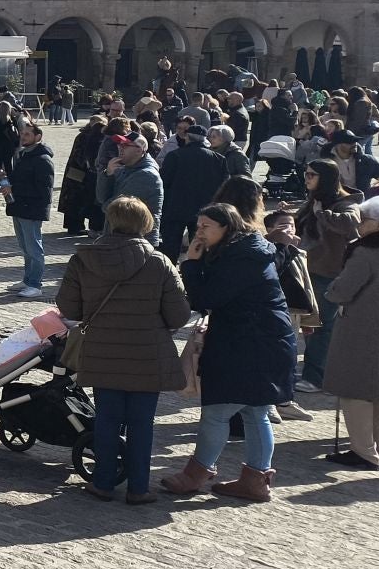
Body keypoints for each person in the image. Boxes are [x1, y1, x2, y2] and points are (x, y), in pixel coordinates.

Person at [58, 196, 190, 503]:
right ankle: (138, 487)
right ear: (145, 223)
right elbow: (180, 316)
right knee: (142, 424)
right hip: (148, 354)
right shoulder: (158, 262)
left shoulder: (83, 259)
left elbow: (67, 307)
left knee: (106, 418)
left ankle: (103, 481)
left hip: (103, 351)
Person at [164, 203, 298, 502]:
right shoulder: (248, 249)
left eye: (205, 226)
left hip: (249, 344)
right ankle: (255, 480)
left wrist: (192, 263)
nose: (198, 231)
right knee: (255, 411)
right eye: (198, 225)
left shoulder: (240, 257)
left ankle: (195, 475)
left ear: (227, 228)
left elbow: (207, 297)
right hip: (264, 341)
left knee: (217, 412)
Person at [322, 196, 379, 470]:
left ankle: (363, 451)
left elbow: (342, 291)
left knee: (354, 391)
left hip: (362, 330)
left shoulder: (366, 253)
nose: (360, 224)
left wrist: (332, 290)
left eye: (365, 220)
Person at [296, 160, 361, 393]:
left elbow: (349, 225)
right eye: (306, 173)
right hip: (309, 271)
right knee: (309, 325)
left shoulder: (346, 204)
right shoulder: (314, 200)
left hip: (329, 274)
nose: (307, 178)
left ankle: (315, 377)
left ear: (326, 177)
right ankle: (312, 371)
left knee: (321, 326)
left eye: (312, 174)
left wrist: (322, 214)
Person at [158, 121, 228, 259]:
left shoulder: (175, 156)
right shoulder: (219, 159)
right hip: (204, 210)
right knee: (200, 247)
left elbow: (163, 182)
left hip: (175, 208)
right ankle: (195, 274)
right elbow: (224, 186)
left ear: (187, 137)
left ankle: (168, 276)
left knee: (170, 248)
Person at [6, 120, 55, 298]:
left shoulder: (43, 160)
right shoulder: (23, 155)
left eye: (27, 134)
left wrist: (15, 189)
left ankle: (35, 284)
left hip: (31, 210)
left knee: (34, 248)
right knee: (25, 246)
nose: (23, 137)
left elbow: (45, 191)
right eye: (22, 134)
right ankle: (27, 279)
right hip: (19, 208)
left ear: (38, 136)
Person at [96, 136, 163, 235]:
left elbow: (114, 208)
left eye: (125, 145)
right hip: (120, 234)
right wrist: (107, 174)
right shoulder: (123, 169)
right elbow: (101, 198)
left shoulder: (146, 175)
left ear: (139, 150)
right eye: (119, 144)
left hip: (138, 237)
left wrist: (106, 202)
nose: (120, 148)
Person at [59, 116, 109, 236]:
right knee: (75, 197)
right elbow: (81, 155)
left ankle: (75, 225)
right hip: (78, 171)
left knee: (75, 198)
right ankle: (75, 225)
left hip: (77, 170)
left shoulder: (85, 135)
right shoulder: (86, 136)